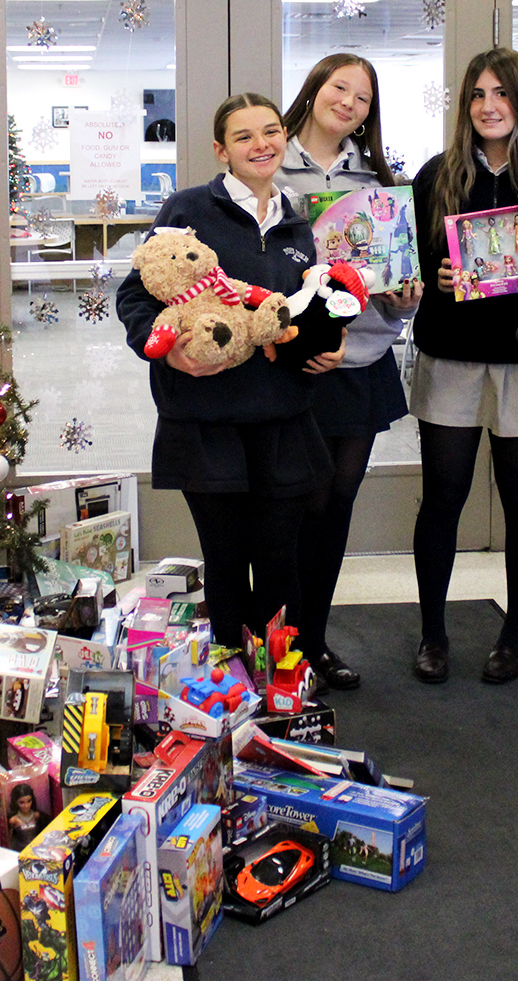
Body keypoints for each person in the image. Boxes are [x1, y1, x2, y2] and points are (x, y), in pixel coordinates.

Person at [116, 93, 342, 649]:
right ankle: (231, 683)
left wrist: (328, 344)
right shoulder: (187, 211)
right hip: (205, 420)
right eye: (244, 136)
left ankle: (280, 677)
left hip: (282, 417)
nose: (260, 144)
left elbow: (298, 311)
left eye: (270, 131)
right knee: (225, 561)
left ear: (284, 138)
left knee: (279, 562)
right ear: (222, 150)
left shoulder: (298, 223)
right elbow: (135, 295)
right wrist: (167, 351)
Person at [407, 48, 518, 685]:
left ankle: (515, 633)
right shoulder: (437, 175)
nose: (488, 107)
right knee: (443, 498)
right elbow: (413, 267)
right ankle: (433, 633)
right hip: (451, 356)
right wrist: (438, 277)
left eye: (501, 94)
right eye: (477, 94)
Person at [277, 54, 423, 691]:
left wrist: (406, 299)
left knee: (337, 505)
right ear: (314, 89)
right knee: (294, 505)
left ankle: (312, 641)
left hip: (360, 363)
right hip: (295, 362)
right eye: (340, 88)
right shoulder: (271, 164)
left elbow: (395, 289)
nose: (349, 103)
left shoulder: (379, 183)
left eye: (362, 98)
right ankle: (276, 644)